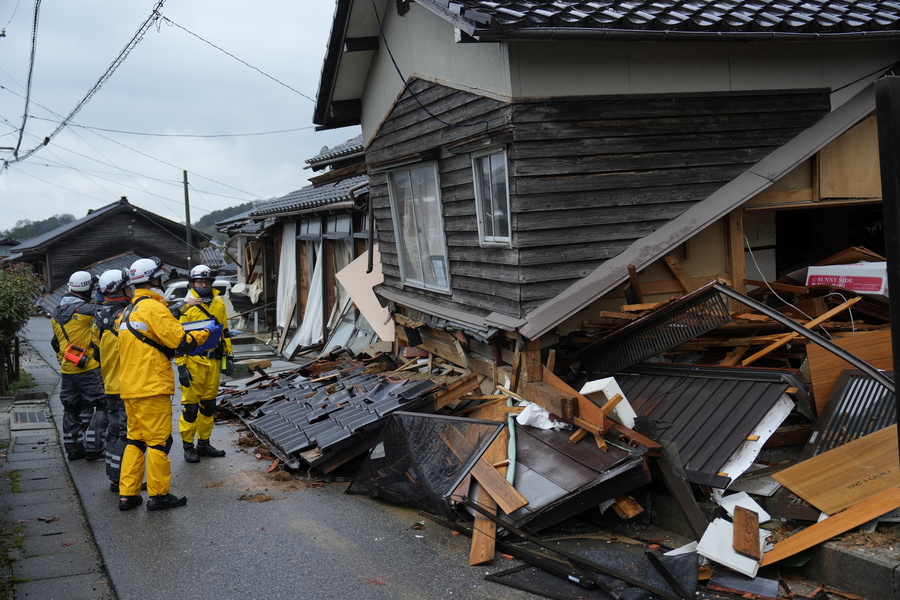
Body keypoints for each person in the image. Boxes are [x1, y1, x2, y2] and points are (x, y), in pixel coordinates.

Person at [117, 257, 209, 511]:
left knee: (134, 440)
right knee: (158, 442)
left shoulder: (128, 310)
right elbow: (180, 341)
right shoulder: (153, 309)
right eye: (161, 277)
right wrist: (206, 334)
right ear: (153, 280)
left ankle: (128, 494)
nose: (163, 281)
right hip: (151, 387)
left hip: (130, 388)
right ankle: (158, 495)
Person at [176, 264, 234, 463]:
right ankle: (188, 447)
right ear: (191, 283)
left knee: (209, 406)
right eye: (199, 282)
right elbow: (177, 338)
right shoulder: (185, 305)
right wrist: (181, 366)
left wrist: (229, 357)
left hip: (214, 361)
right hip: (193, 362)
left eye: (207, 282)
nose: (204, 285)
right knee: (191, 409)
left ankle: (204, 443)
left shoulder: (219, 303)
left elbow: (224, 331)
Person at [51, 270, 106, 461]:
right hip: (88, 368)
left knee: (71, 408)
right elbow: (106, 315)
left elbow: (55, 343)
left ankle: (74, 449)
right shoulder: (87, 311)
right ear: (87, 288)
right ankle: (94, 448)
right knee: (102, 405)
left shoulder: (56, 313)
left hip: (68, 369)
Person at [91, 268, 132, 493]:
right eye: (128, 285)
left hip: (109, 384)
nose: (131, 289)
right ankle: (124, 479)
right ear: (119, 289)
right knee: (126, 434)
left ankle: (114, 477)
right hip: (126, 384)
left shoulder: (97, 317)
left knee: (114, 432)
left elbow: (96, 352)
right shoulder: (126, 316)